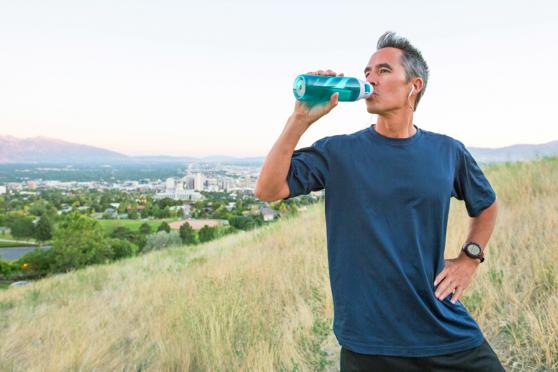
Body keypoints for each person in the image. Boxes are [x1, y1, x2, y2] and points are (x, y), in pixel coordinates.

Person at [255, 31, 505, 371]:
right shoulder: (338, 152)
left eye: (383, 70)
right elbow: (268, 189)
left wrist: (469, 259)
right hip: (369, 343)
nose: (370, 78)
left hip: (444, 330)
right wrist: (299, 119)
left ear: (413, 86)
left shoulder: (448, 152)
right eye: (368, 71)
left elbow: (486, 205)